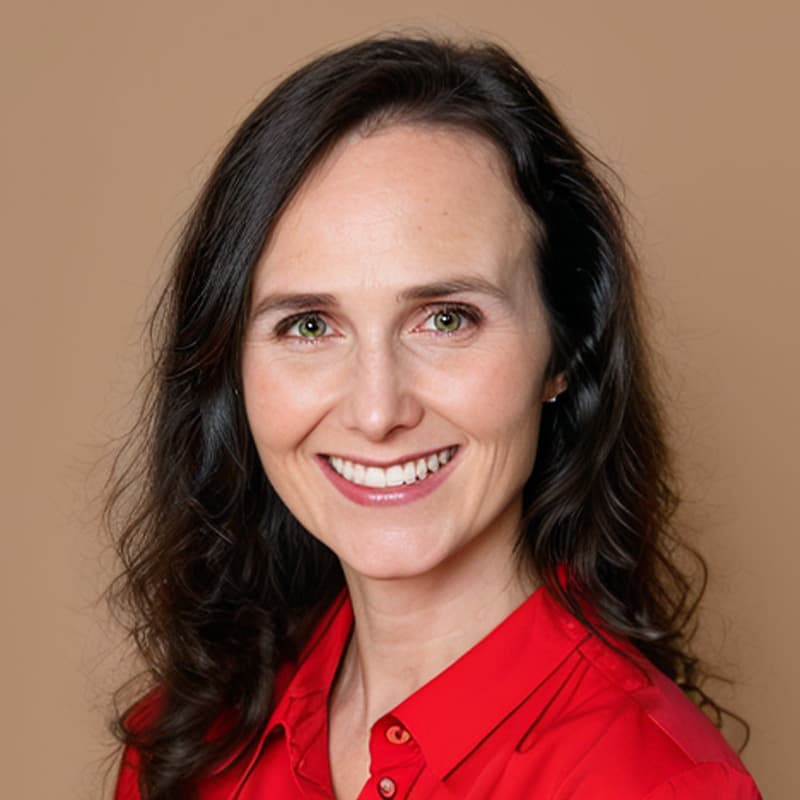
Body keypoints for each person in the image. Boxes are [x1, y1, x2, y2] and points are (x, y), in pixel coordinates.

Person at [108, 34, 762, 799]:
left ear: (565, 349)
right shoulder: (189, 747)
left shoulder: (656, 783)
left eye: (446, 318)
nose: (378, 411)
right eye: (310, 326)